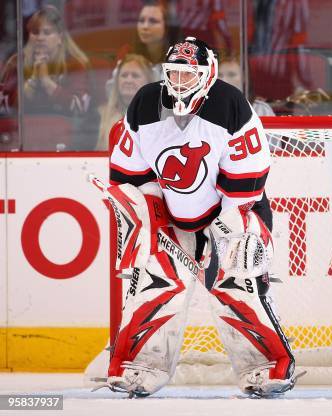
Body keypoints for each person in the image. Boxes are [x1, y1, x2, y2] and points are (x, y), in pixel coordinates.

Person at [95, 37, 297, 398]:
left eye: (189, 74)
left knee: (236, 282)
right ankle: (141, 365)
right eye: (174, 72)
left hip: (233, 209)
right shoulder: (145, 103)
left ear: (209, 73)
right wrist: (156, 219)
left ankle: (266, 365)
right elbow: (130, 173)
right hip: (170, 214)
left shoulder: (229, 104)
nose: (180, 81)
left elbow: (245, 184)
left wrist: (221, 236)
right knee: (155, 282)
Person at [0, 4, 94, 150]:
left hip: (65, 141)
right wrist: (31, 82)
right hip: (19, 139)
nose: (40, 38)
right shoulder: (15, 63)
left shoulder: (75, 63)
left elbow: (81, 108)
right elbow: (4, 106)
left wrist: (46, 81)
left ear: (59, 37)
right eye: (35, 32)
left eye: (47, 32)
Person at [96, 54, 154, 151]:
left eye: (135, 76)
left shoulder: (162, 118)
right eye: (124, 75)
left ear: (148, 82)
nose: (128, 80)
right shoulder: (98, 116)